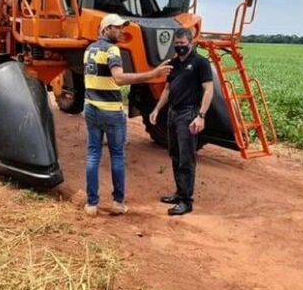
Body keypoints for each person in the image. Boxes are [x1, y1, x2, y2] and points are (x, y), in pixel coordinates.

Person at [83, 14, 172, 216]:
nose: (121, 31)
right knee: (117, 155)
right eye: (117, 28)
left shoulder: (90, 49)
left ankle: (91, 204)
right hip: (110, 111)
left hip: (91, 108)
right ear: (106, 29)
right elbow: (120, 78)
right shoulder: (112, 49)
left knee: (93, 154)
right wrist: (152, 74)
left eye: (122, 27)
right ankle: (117, 203)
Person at [149, 27, 213, 215]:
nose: (179, 47)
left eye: (182, 44)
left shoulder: (201, 63)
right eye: (176, 44)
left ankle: (186, 201)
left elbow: (208, 90)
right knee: (175, 155)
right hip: (173, 113)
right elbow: (168, 89)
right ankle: (179, 192)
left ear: (191, 43)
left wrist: (201, 116)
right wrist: (157, 109)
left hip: (189, 113)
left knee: (187, 158)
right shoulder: (173, 63)